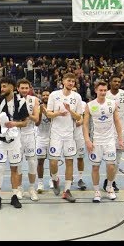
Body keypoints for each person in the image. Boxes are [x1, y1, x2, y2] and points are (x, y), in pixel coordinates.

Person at [0, 77, 29, 210]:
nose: (2, 89)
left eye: (5, 86)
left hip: (15, 141)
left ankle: (14, 196)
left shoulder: (21, 101)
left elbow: (25, 122)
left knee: (14, 168)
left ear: (12, 87)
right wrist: (1, 123)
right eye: (1, 86)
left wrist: (14, 123)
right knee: (0, 168)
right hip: (1, 141)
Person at [83, 80, 124, 203]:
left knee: (111, 166)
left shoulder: (112, 103)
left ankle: (109, 186)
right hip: (96, 141)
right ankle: (96, 191)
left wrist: (120, 139)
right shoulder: (90, 105)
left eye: (105, 90)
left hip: (109, 140)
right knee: (95, 167)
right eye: (101, 90)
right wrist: (87, 140)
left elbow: (117, 121)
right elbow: (85, 125)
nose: (103, 92)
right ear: (95, 90)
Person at [46, 73, 83, 202]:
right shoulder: (54, 95)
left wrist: (70, 111)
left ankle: (67, 190)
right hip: (56, 133)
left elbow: (79, 117)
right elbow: (48, 114)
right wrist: (59, 113)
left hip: (69, 134)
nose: (71, 83)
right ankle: (55, 179)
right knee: (53, 162)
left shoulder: (77, 97)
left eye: (73, 81)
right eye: (69, 80)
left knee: (69, 161)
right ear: (63, 81)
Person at [105, 74, 124, 192]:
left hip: (121, 131)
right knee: (109, 159)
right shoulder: (105, 94)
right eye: (115, 81)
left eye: (119, 81)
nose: (117, 83)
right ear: (110, 82)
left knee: (117, 160)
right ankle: (109, 180)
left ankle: (111, 181)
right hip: (107, 130)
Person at [16, 79, 40, 201]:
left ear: (30, 89)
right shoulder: (13, 100)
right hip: (17, 135)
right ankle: (19, 188)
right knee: (18, 163)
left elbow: (36, 119)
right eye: (22, 88)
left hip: (30, 134)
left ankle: (31, 188)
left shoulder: (34, 100)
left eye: (27, 88)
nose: (24, 90)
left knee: (31, 162)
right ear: (18, 88)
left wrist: (27, 115)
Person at [35, 89, 51, 193]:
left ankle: (52, 180)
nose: (45, 96)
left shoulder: (54, 107)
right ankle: (40, 183)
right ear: (41, 96)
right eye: (44, 95)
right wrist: (41, 113)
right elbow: (37, 123)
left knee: (53, 161)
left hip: (52, 137)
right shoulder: (37, 108)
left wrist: (46, 112)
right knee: (40, 161)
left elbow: (53, 121)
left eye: (47, 95)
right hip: (40, 137)